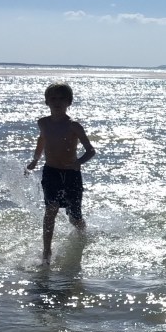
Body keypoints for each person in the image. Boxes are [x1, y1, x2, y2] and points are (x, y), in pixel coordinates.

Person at [26, 82, 95, 264]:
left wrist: (78, 163)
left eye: (62, 99)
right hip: (50, 172)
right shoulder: (43, 123)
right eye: (53, 98)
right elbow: (42, 140)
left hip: (71, 175)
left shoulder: (74, 126)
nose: (57, 102)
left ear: (69, 102)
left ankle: (83, 234)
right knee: (51, 209)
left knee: (74, 217)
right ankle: (46, 251)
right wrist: (35, 160)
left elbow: (90, 151)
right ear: (47, 101)